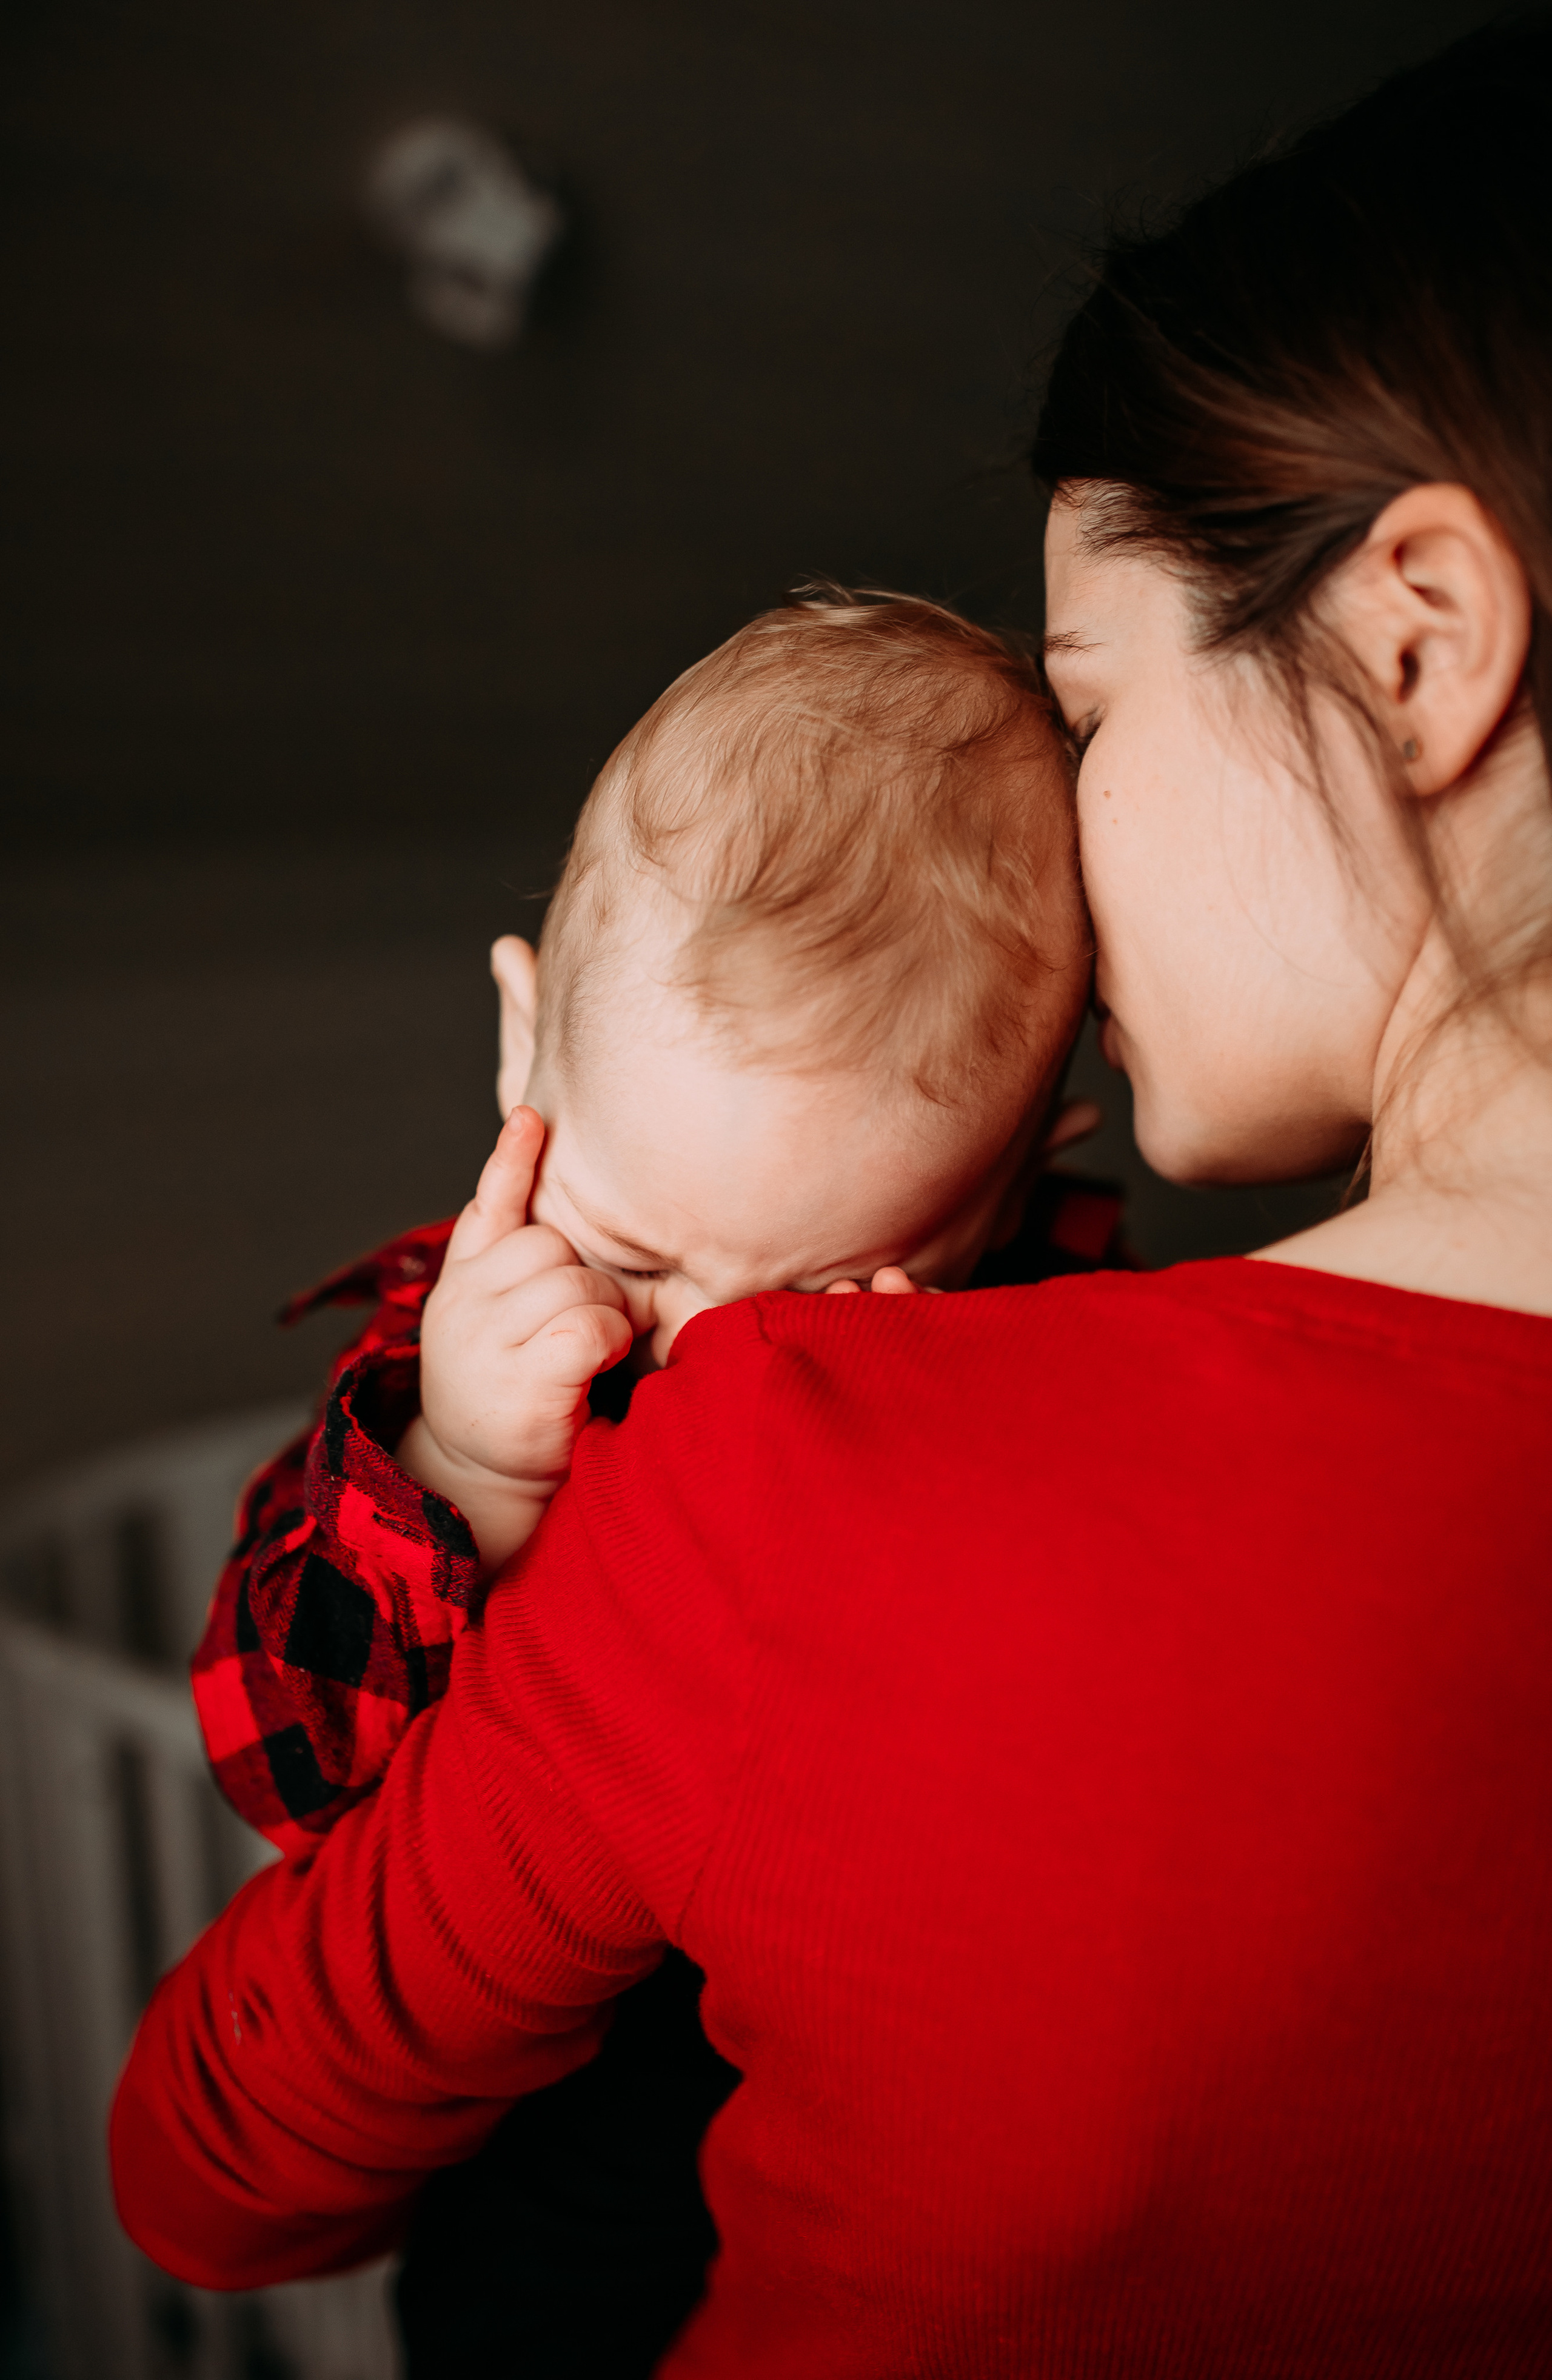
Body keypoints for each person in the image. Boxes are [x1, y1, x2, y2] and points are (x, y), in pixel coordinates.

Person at [115, 18, 1552, 2376]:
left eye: (1088, 711)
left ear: (1413, 644)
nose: (1064, 849)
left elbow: (205, 2161)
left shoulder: (820, 1456)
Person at [186, 587, 1120, 2375]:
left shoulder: (1052, 1338)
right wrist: (463, 1470)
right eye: (628, 1253)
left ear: (1014, 1200)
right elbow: (288, 1775)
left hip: (883, 2113)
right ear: (522, 1045)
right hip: (562, 2122)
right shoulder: (450, 1354)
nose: (704, 1356)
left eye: (812, 1304)